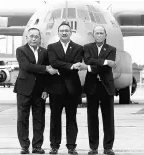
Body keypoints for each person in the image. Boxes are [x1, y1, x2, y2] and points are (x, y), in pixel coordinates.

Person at [13, 27, 58, 154]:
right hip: (24, 89)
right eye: (31, 36)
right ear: (27, 38)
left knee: (39, 119)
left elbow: (47, 75)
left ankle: (37, 146)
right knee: (22, 118)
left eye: (36, 36)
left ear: (40, 39)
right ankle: (24, 146)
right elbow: (25, 66)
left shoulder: (45, 52)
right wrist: (45, 68)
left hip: (40, 91)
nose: (34, 38)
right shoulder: (20, 50)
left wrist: (46, 89)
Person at [47, 21, 83, 154]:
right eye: (61, 30)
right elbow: (53, 62)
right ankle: (54, 146)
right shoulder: (52, 47)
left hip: (72, 89)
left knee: (71, 118)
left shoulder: (79, 48)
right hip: (55, 88)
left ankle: (71, 146)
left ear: (71, 33)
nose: (64, 32)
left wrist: (62, 68)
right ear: (58, 33)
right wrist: (70, 66)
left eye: (66, 31)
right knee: (55, 118)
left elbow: (77, 65)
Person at [79, 25, 117, 155]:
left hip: (106, 87)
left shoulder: (112, 49)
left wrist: (89, 68)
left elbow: (97, 66)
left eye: (102, 33)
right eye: (97, 33)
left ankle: (108, 147)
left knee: (108, 119)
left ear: (106, 35)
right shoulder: (87, 48)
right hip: (92, 87)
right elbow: (88, 60)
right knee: (92, 118)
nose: (99, 35)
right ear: (93, 35)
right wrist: (106, 62)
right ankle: (93, 147)